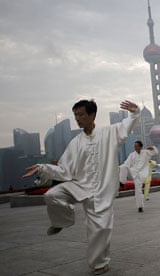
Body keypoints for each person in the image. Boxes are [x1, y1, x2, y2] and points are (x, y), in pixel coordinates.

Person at [22, 99, 139, 275]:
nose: (78, 118)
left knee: (100, 229)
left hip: (101, 191)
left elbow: (126, 126)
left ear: (92, 115)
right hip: (80, 186)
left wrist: (135, 112)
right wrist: (41, 167)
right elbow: (64, 168)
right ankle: (62, 221)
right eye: (75, 115)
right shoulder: (76, 142)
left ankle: (100, 264)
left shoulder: (109, 133)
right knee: (52, 195)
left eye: (81, 114)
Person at [120, 141, 158, 213]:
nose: (135, 147)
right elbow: (127, 163)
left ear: (140, 147)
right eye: (134, 146)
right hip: (133, 172)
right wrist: (126, 170)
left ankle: (140, 206)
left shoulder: (146, 152)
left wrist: (152, 148)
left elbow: (155, 152)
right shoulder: (132, 155)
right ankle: (122, 182)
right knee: (122, 167)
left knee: (138, 190)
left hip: (141, 174)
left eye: (137, 146)